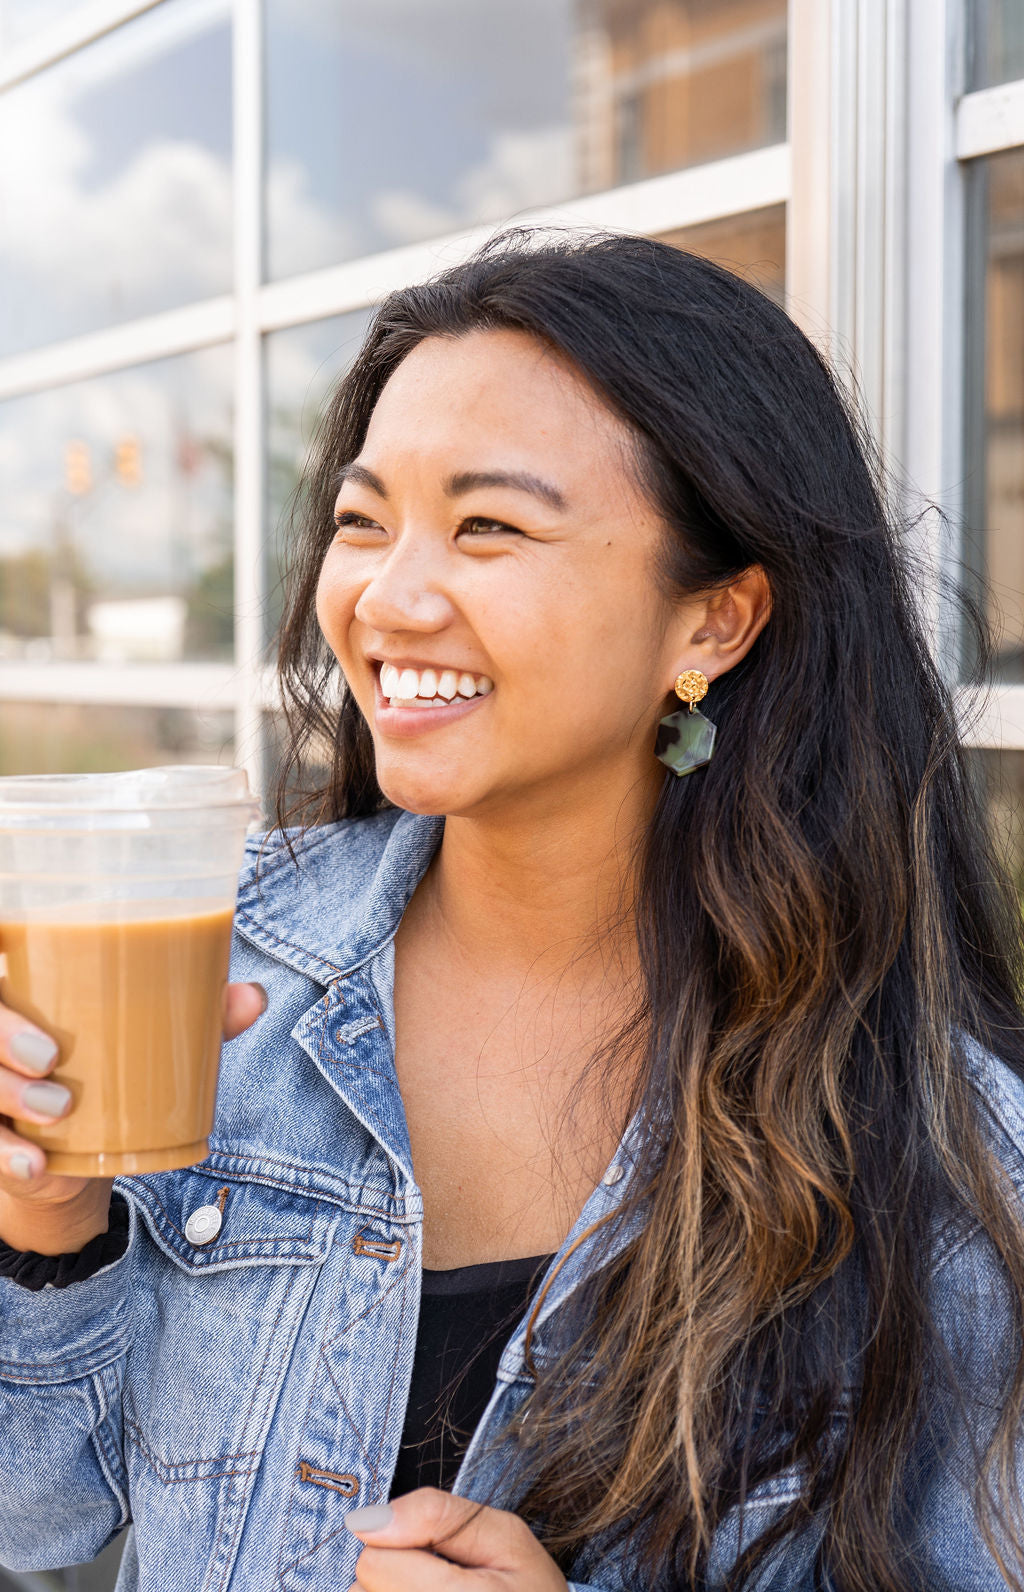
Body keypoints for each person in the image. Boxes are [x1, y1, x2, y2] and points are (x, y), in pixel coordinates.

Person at [0, 230, 1022, 1592]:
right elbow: (35, 1525)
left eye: (490, 526)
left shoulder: (936, 1145)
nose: (389, 596)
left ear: (713, 624)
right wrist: (42, 1232)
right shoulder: (211, 974)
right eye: (364, 521)